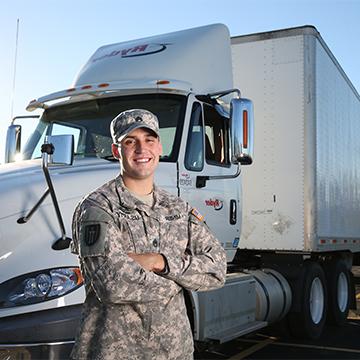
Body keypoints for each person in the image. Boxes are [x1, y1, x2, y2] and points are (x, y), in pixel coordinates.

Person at [70, 109, 227, 360]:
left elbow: (217, 269)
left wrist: (160, 262)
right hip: (115, 352)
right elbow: (113, 285)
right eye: (130, 142)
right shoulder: (98, 207)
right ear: (116, 151)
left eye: (149, 140)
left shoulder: (176, 208)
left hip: (173, 351)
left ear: (159, 148)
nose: (141, 149)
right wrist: (181, 282)